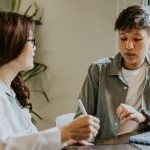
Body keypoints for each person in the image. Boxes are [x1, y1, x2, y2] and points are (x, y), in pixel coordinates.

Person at [0, 11, 100, 150]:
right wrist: (65, 133)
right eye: (31, 41)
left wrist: (65, 141)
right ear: (13, 42)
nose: (35, 47)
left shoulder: (10, 92)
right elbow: (5, 146)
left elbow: (28, 139)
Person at [75, 5, 150, 143]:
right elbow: (81, 120)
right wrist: (83, 136)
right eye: (123, 38)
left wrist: (143, 117)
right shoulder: (98, 70)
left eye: (137, 39)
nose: (128, 46)